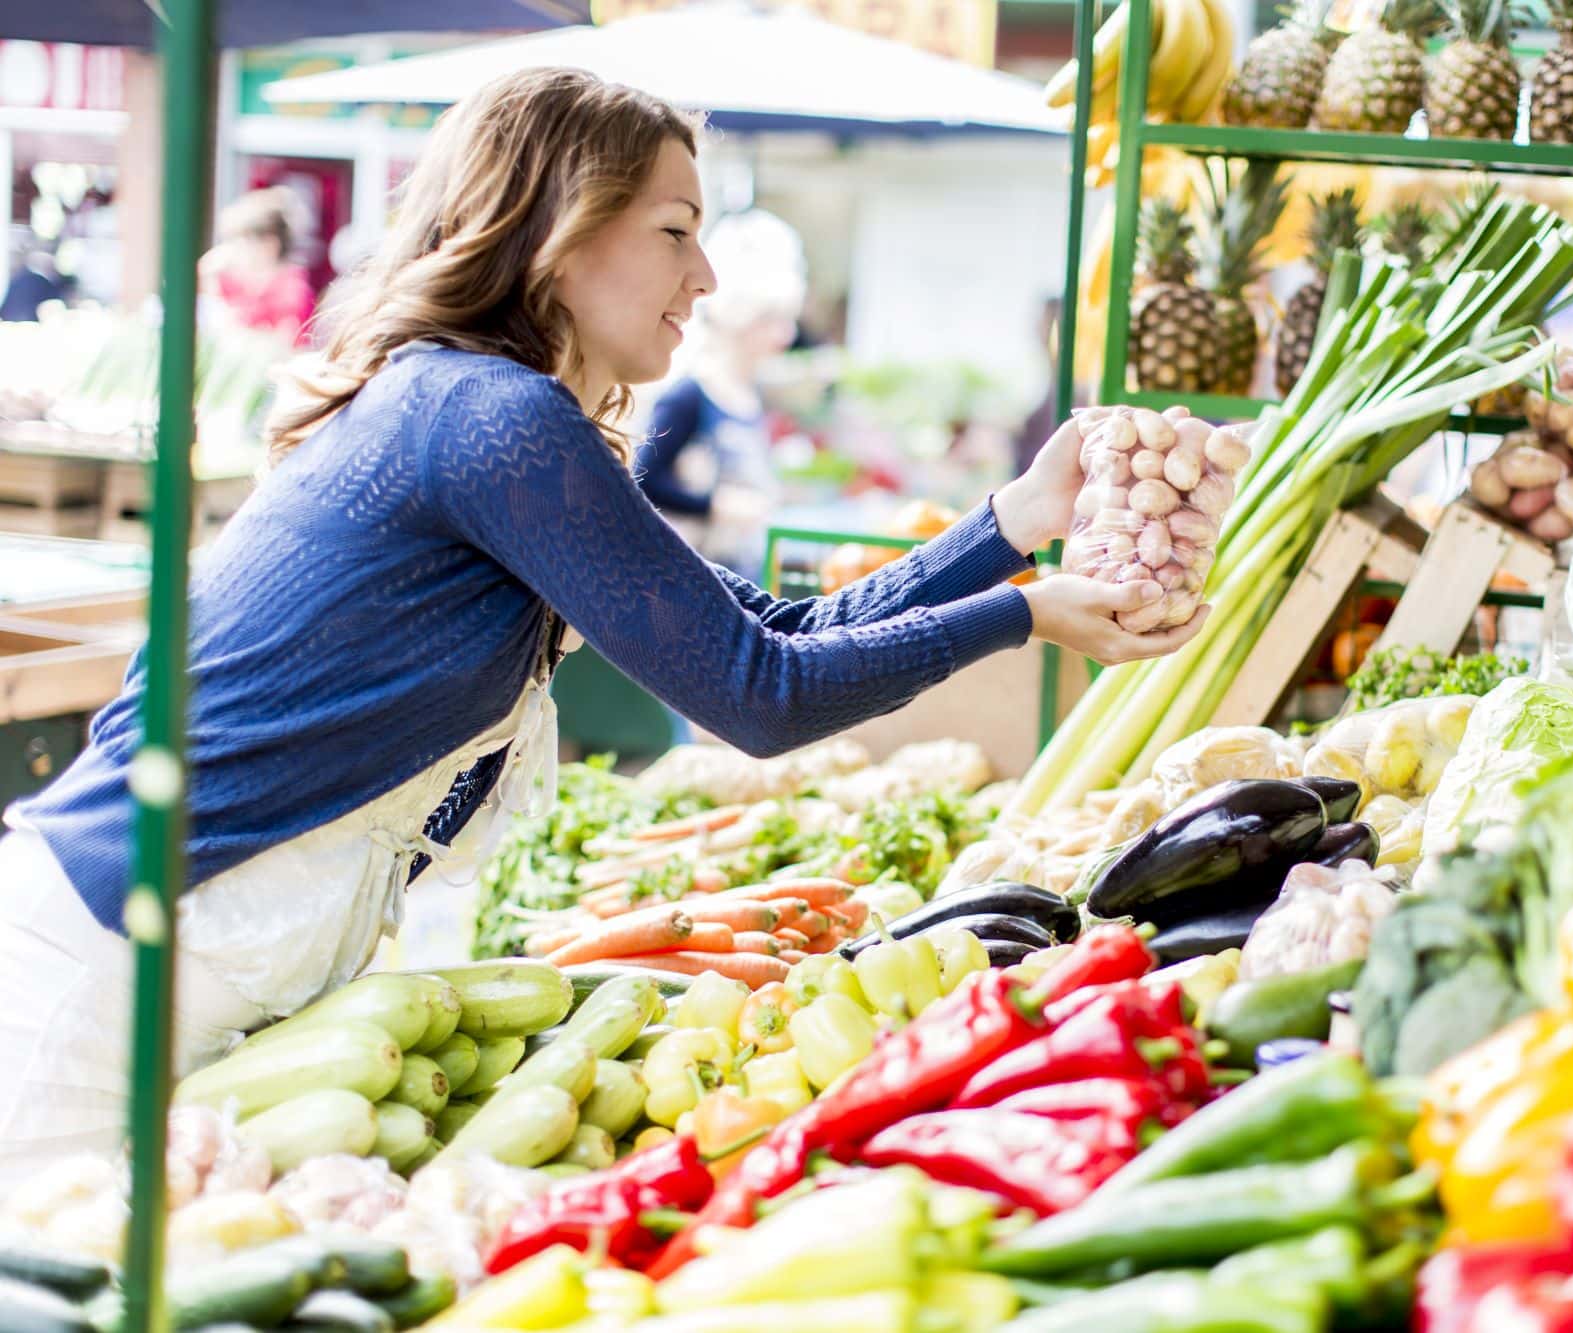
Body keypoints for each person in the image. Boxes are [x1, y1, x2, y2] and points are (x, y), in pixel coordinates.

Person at [0, 67, 1207, 1181]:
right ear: (561, 233)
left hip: (176, 968)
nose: (708, 277)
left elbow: (774, 631)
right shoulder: (490, 419)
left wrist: (1013, 518)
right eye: (675, 231)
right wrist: (1020, 615)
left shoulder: (486, 413)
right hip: (98, 982)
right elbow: (760, 697)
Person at [635, 208, 804, 580]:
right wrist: (716, 505)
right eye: (768, 320)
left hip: (741, 576)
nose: (783, 335)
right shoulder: (689, 395)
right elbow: (643, 478)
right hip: (694, 579)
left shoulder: (748, 393)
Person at [199, 188, 316, 344]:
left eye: (243, 242)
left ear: (270, 244)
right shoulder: (233, 282)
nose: (235, 250)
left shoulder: (292, 290)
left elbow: (286, 343)